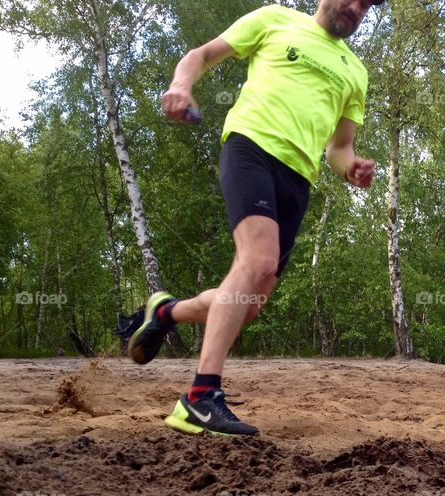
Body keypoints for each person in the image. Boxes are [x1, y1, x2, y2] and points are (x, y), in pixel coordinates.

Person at [128, 0, 383, 436]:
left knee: (246, 307)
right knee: (258, 260)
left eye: (367, 5)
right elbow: (201, 55)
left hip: (298, 179)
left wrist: (351, 169)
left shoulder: (355, 72)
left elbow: (339, 148)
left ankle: (166, 312)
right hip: (251, 148)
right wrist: (180, 85)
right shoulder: (275, 19)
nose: (357, 8)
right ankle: (199, 398)